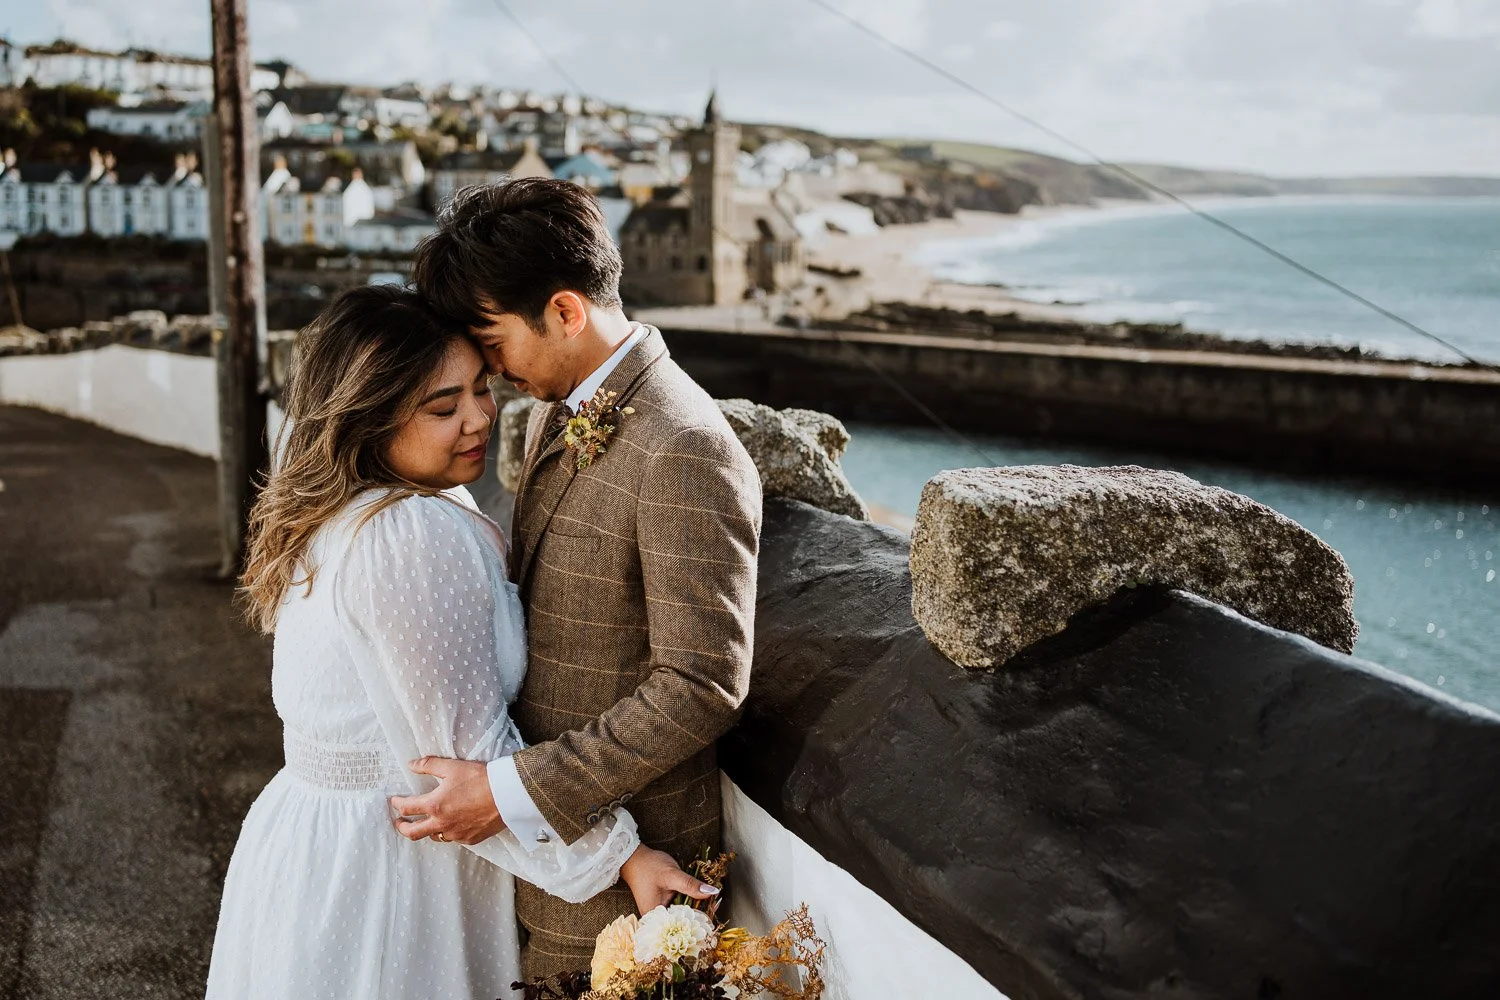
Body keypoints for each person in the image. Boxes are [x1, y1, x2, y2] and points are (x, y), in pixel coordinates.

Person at [205, 285, 713, 1000]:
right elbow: (463, 762)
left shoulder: (346, 511)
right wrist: (622, 858)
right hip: (393, 868)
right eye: (443, 408)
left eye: (481, 389)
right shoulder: (409, 534)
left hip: (316, 847)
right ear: (369, 419)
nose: (479, 419)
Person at [395, 178, 763, 978]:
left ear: (565, 312)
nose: (488, 375)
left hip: (638, 875)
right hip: (553, 861)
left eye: (492, 345)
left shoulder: (685, 447)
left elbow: (702, 681)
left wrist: (514, 790)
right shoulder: (551, 408)